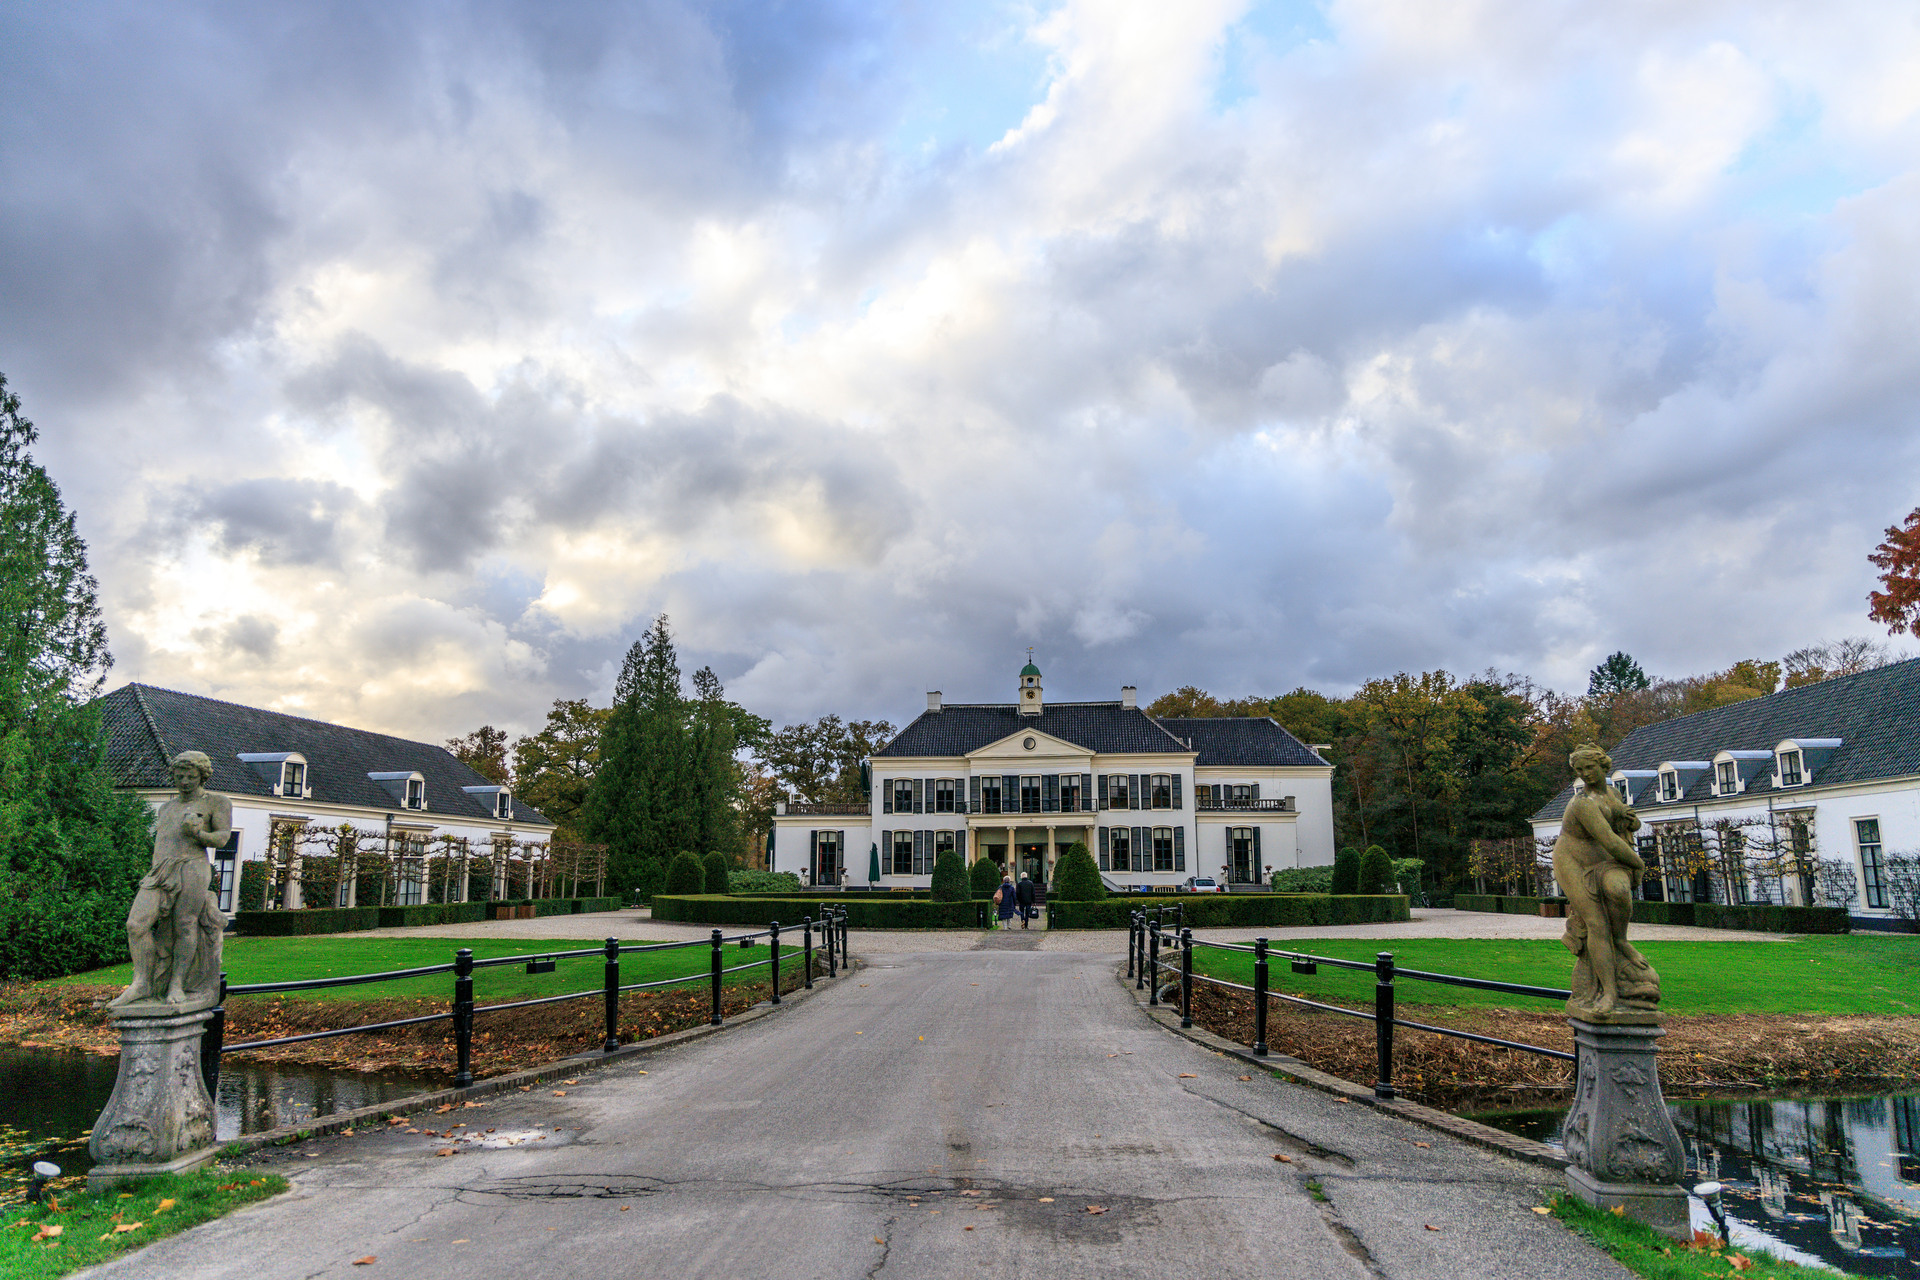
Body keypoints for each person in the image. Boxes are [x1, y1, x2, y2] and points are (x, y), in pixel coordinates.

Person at [111, 750, 231, 1009]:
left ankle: (177, 983)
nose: (184, 781)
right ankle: (142, 982)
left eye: (190, 776)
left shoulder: (217, 802)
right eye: (179, 776)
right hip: (160, 871)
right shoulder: (167, 807)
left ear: (202, 776)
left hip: (193, 867)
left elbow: (222, 839)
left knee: (185, 925)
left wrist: (198, 833)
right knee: (136, 924)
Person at [1554, 743, 1661, 1017]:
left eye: (1589, 767)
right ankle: (1609, 992)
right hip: (1573, 861)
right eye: (1579, 770)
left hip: (1602, 859)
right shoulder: (1583, 804)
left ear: (1603, 766)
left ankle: (1622, 941)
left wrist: (1628, 819)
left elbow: (1627, 825)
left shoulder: (1613, 793)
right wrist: (1639, 864)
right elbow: (1611, 842)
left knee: (1618, 889)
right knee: (1596, 923)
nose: (1585, 774)